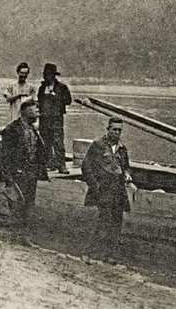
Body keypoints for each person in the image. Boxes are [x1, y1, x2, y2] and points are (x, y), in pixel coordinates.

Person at [81, 117, 132, 251]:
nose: (117, 133)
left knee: (116, 223)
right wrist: (95, 186)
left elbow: (126, 166)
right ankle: (90, 252)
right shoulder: (98, 145)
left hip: (118, 191)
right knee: (102, 222)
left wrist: (127, 174)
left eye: (119, 130)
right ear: (108, 130)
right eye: (114, 129)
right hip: (103, 190)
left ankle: (110, 255)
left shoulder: (122, 149)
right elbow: (86, 167)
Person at [0, 101, 48, 228]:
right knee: (17, 206)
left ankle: (23, 236)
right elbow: (5, 156)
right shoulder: (11, 129)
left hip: (31, 174)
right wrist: (9, 179)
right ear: (24, 112)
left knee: (28, 206)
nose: (37, 113)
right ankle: (15, 236)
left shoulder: (33, 129)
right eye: (34, 110)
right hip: (17, 174)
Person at [37, 63, 72, 173]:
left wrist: (56, 97)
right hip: (44, 119)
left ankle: (61, 165)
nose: (46, 77)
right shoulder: (42, 88)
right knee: (45, 142)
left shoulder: (62, 87)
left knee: (58, 142)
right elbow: (39, 101)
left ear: (53, 75)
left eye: (48, 75)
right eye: (45, 75)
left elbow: (68, 101)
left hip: (56, 119)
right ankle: (49, 163)